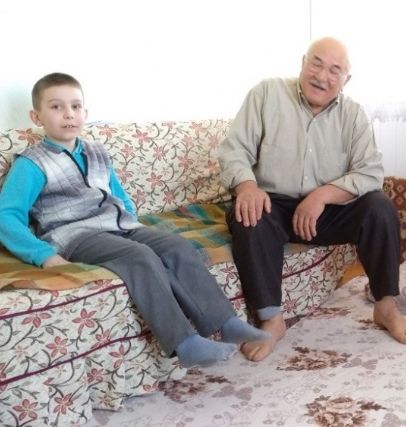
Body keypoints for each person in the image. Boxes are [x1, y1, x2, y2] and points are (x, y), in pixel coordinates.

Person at [0, 72, 270, 368]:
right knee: (140, 257)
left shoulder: (97, 152)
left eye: (75, 106)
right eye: (56, 107)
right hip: (76, 236)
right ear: (36, 116)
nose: (68, 114)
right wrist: (43, 255)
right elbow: (6, 216)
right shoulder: (32, 163)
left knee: (177, 246)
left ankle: (225, 322)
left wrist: (132, 222)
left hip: (120, 225)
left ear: (85, 112)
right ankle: (184, 343)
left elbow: (118, 195)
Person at [219, 37, 406, 362]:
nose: (322, 76)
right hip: (272, 205)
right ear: (303, 62)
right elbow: (234, 150)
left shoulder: (353, 115)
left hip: (326, 211)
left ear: (346, 79)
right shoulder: (266, 94)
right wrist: (247, 186)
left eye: (334, 70)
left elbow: (370, 172)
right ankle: (272, 319)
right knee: (248, 216)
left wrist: (322, 195)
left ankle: (385, 306)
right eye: (316, 63)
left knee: (379, 207)